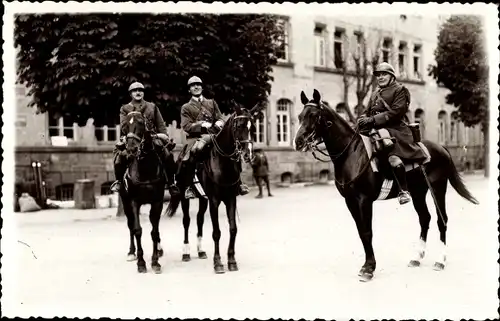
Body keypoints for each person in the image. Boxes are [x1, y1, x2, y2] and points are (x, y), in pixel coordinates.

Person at [357, 62, 427, 205]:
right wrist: (363, 118)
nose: (380, 77)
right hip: (376, 130)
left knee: (393, 159)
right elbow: (368, 110)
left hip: (396, 131)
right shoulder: (375, 93)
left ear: (392, 76)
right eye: (378, 75)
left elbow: (396, 112)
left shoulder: (400, 90)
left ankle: (403, 191)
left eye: (384, 74)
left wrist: (372, 119)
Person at [178, 76, 250, 199]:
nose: (196, 87)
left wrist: (220, 122)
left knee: (233, 150)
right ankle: (189, 186)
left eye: (198, 84)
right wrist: (200, 125)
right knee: (191, 153)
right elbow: (186, 126)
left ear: (202, 87)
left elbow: (220, 117)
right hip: (196, 137)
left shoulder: (211, 102)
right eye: (192, 85)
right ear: (189, 90)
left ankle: (239, 182)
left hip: (214, 135)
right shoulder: (186, 107)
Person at [110, 81, 179, 196]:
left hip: (151, 137)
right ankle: (119, 182)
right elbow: (123, 127)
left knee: (167, 155)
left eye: (140, 90)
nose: (138, 92)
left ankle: (171, 183)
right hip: (133, 138)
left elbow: (160, 125)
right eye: (135, 91)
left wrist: (163, 136)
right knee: (120, 157)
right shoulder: (125, 108)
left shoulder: (152, 107)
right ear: (130, 93)